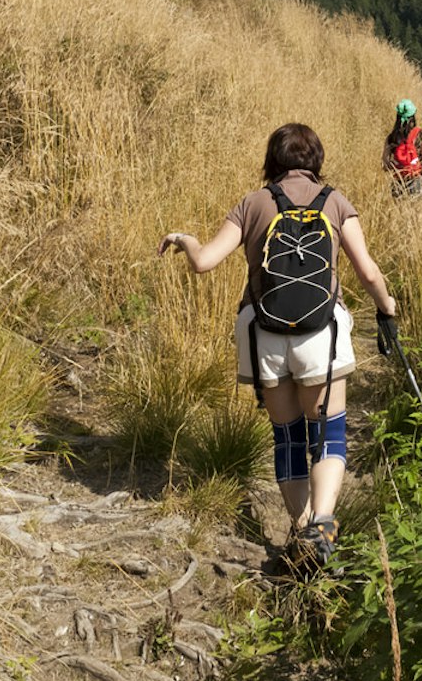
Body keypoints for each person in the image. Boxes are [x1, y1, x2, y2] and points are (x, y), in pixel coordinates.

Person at [159, 123, 399, 570]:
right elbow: (367, 272)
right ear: (315, 161)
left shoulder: (252, 204)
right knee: (327, 434)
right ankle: (322, 522)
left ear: (272, 160)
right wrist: (387, 308)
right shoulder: (336, 201)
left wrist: (183, 239)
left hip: (263, 334)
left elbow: (205, 261)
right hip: (319, 335)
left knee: (287, 439)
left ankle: (302, 526)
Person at [381, 98, 422, 197]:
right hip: (418, 180)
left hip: (398, 182)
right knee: (418, 211)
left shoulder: (391, 137)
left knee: (399, 211)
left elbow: (385, 165)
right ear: (413, 115)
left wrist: (399, 167)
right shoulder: (421, 134)